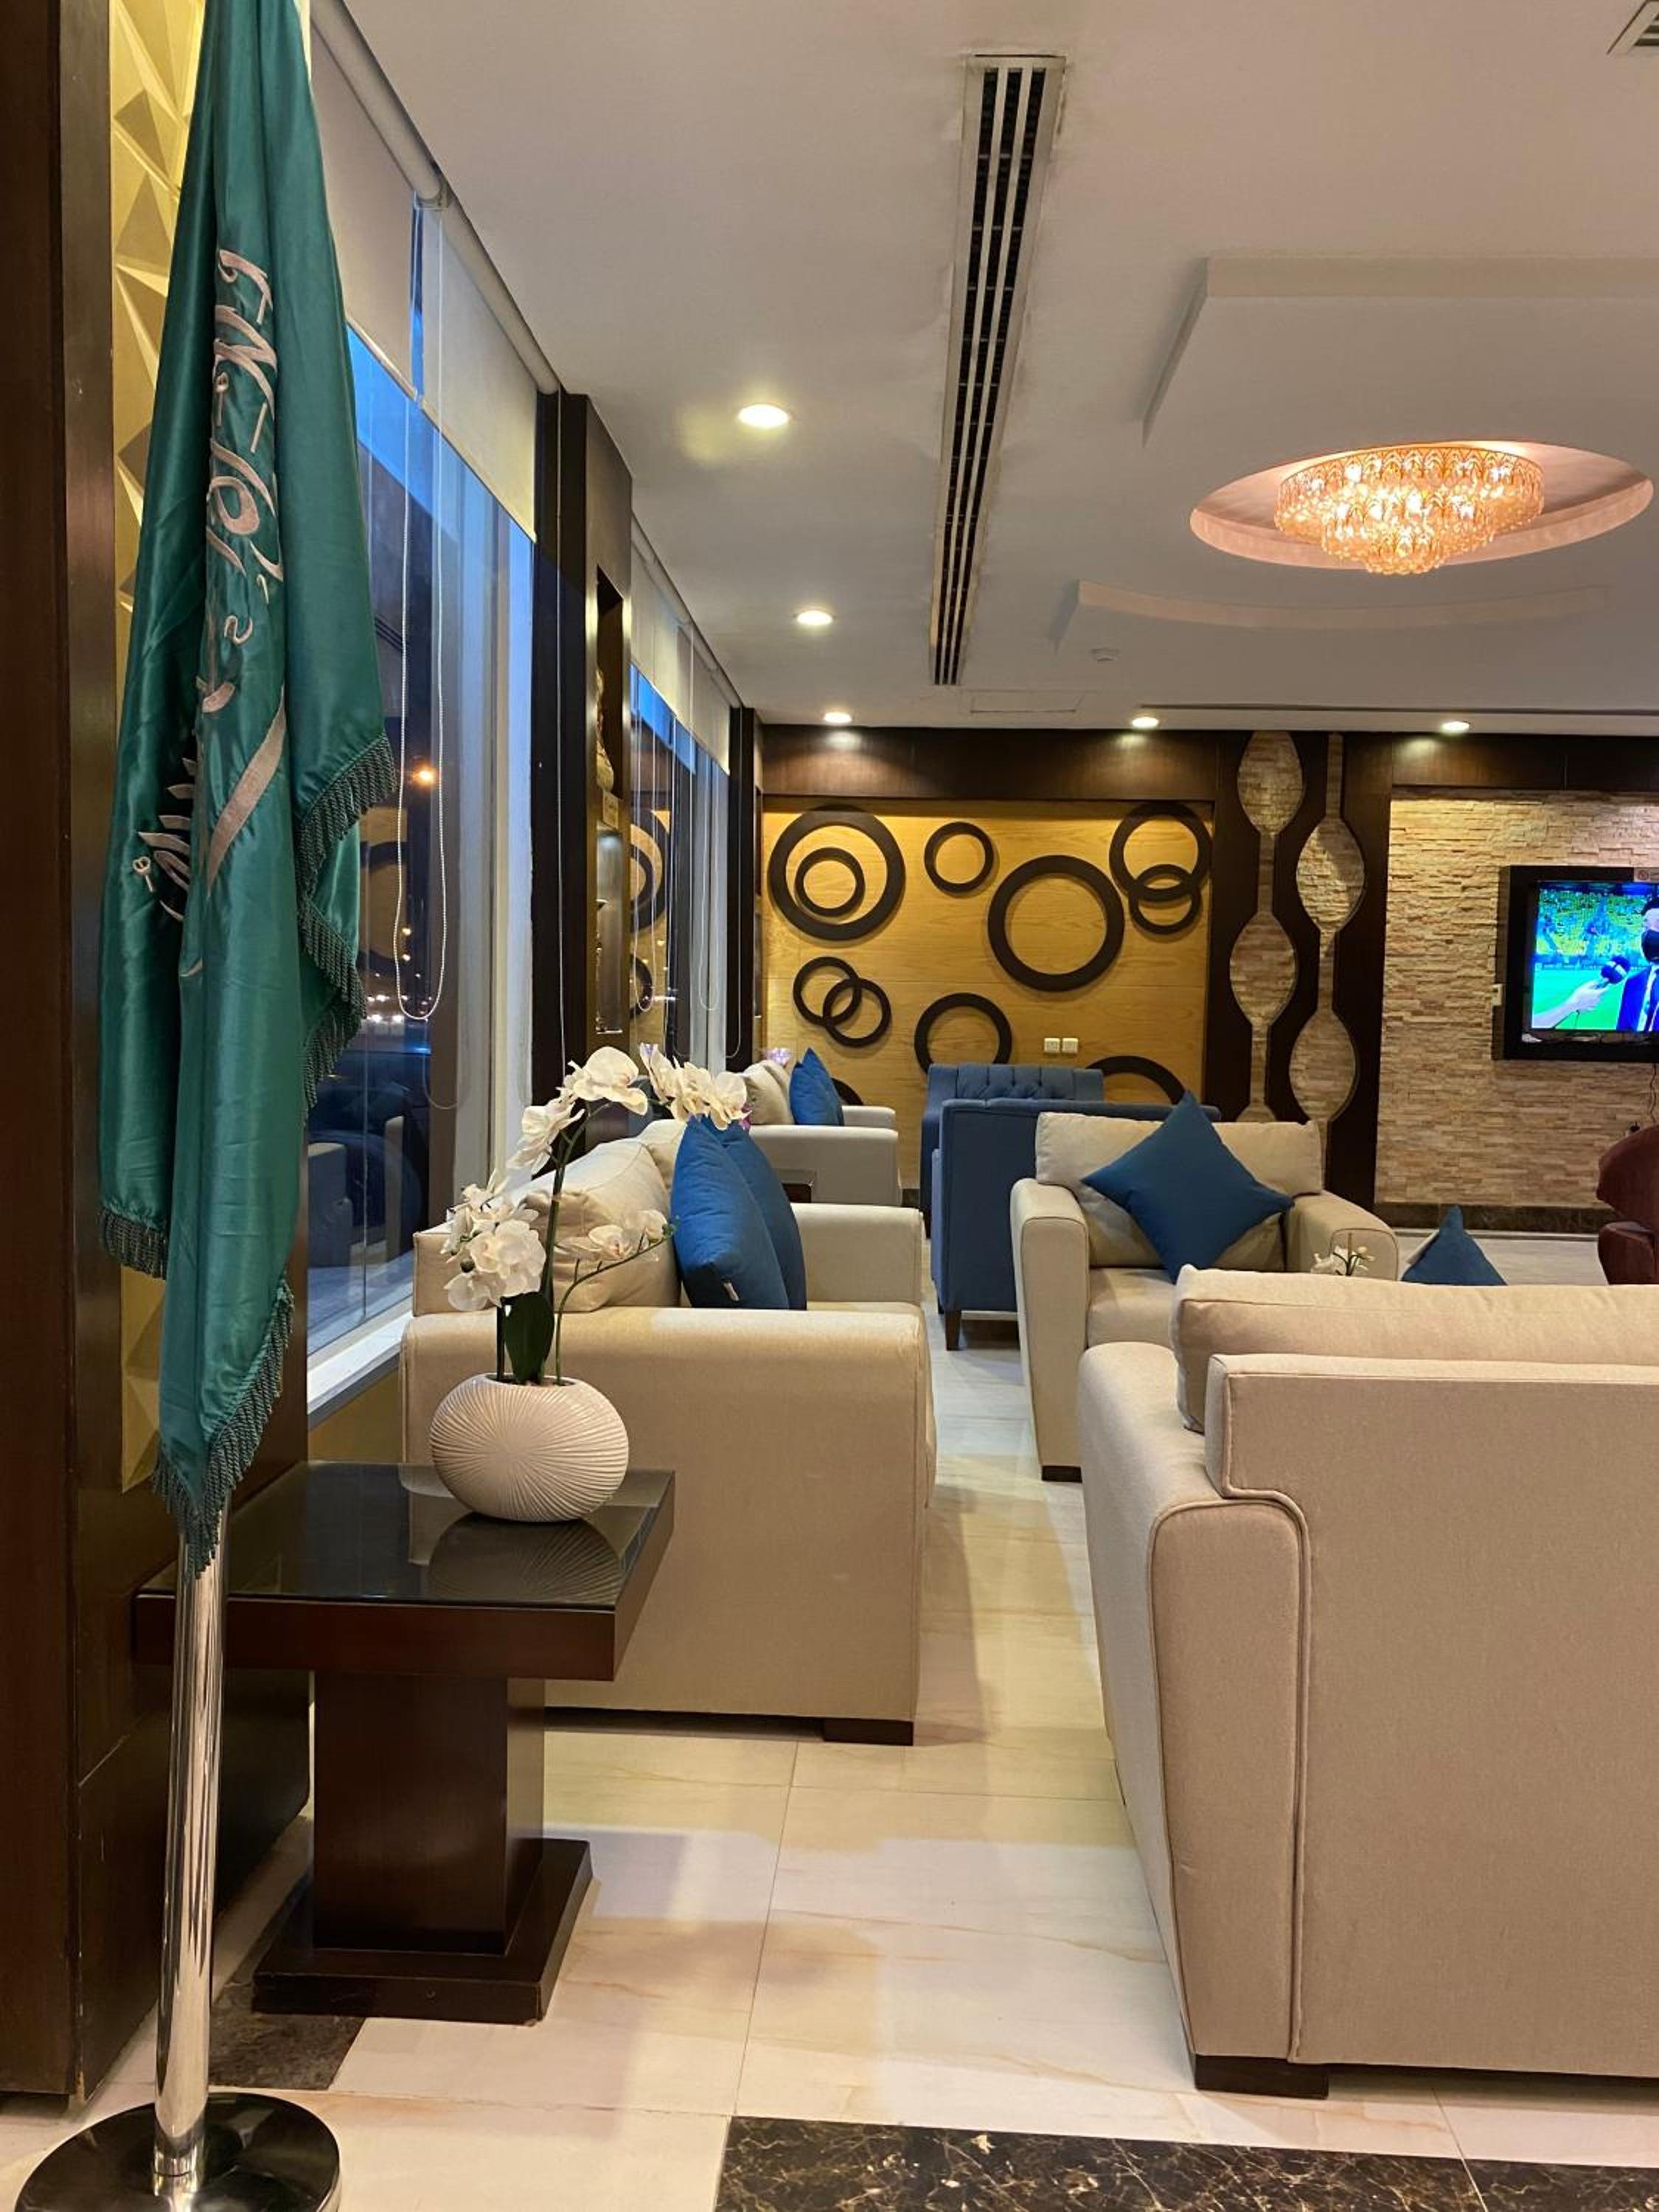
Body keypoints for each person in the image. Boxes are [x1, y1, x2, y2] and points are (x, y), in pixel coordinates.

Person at [1534, 892, 1659, 1032]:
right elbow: (1624, 1034)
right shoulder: (1633, 983)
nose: (1650, 933)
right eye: (1645, 927)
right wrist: (1573, 1004)